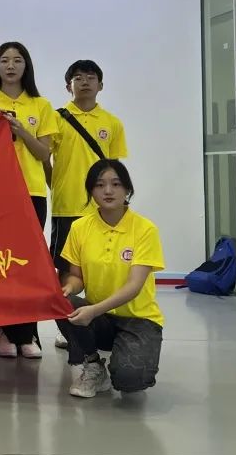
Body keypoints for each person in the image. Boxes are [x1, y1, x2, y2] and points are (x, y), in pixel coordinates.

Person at [0, 41, 57, 359]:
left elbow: (44, 153)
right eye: (4, 60)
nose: (10, 65)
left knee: (28, 265)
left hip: (31, 191)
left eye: (17, 60)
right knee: (0, 264)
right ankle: (2, 333)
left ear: (26, 66)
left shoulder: (41, 105)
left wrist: (20, 129)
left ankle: (28, 334)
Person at [57, 159, 164, 398]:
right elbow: (77, 277)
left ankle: (128, 355)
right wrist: (68, 288)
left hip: (138, 319)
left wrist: (94, 310)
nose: (108, 191)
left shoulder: (145, 229)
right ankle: (93, 364)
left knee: (129, 380)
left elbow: (134, 286)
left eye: (116, 184)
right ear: (91, 191)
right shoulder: (79, 228)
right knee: (62, 302)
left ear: (127, 189)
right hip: (101, 319)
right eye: (99, 185)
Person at [48, 60, 128, 350]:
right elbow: (44, 157)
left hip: (101, 210)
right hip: (66, 206)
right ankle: (67, 325)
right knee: (65, 270)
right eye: (78, 78)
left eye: (91, 77)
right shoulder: (56, 118)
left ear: (101, 85)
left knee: (101, 265)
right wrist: (57, 184)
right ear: (68, 86)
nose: (84, 82)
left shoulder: (112, 122)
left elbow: (115, 167)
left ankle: (102, 320)